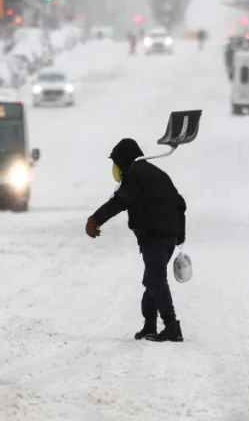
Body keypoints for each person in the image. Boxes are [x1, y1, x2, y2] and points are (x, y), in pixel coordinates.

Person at [86, 138, 187, 343]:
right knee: (152, 279)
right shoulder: (157, 173)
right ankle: (149, 325)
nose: (115, 168)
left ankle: (171, 326)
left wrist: (95, 219)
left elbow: (119, 201)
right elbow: (179, 203)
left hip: (155, 235)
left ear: (123, 160)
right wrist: (180, 235)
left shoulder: (135, 175)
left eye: (116, 162)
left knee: (156, 279)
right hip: (168, 235)